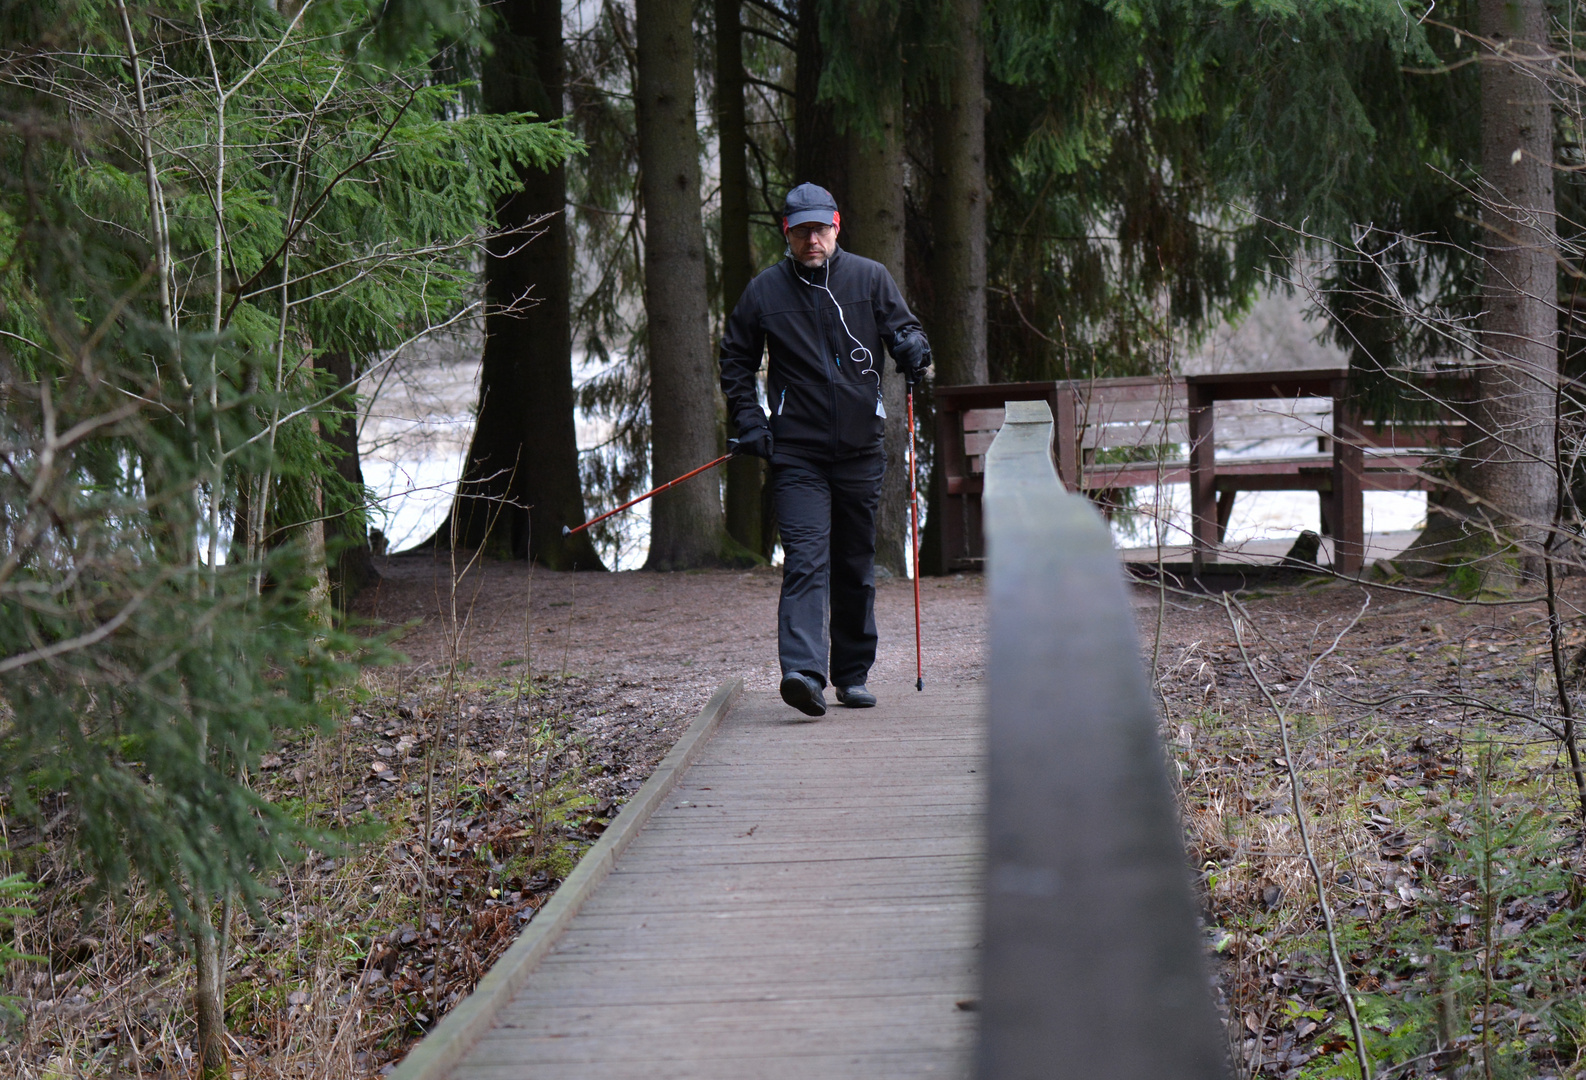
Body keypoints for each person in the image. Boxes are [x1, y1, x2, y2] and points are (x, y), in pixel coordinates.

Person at [719, 183, 932, 718]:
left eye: (821, 228)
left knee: (856, 565)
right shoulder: (765, 292)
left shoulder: (869, 278)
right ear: (787, 233)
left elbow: (907, 333)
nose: (812, 239)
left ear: (836, 226)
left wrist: (912, 348)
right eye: (801, 230)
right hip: (797, 453)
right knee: (806, 562)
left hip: (861, 449)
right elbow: (735, 360)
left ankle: (852, 675)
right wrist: (750, 421)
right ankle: (803, 674)